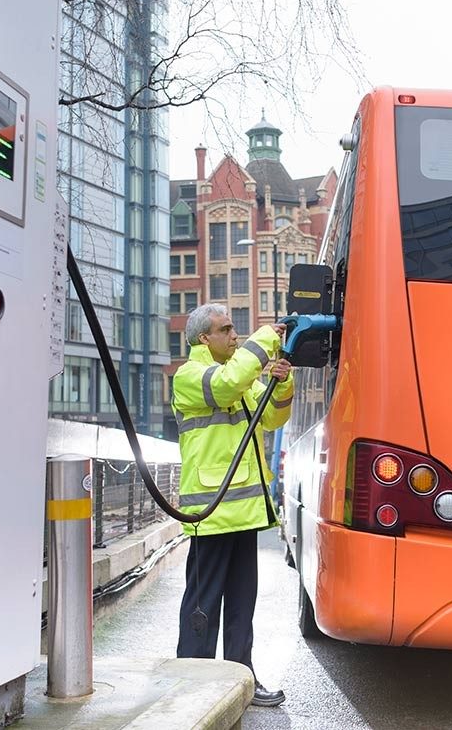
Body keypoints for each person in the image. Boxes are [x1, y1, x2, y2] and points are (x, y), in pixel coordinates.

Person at [173, 303, 295, 708]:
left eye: (234, 329)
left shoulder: (240, 379)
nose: (234, 335)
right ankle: (193, 682)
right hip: (210, 514)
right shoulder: (190, 376)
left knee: (243, 603)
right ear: (203, 338)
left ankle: (242, 678)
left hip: (241, 512)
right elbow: (226, 385)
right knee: (203, 602)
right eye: (226, 330)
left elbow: (274, 419)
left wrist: (280, 385)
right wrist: (265, 339)